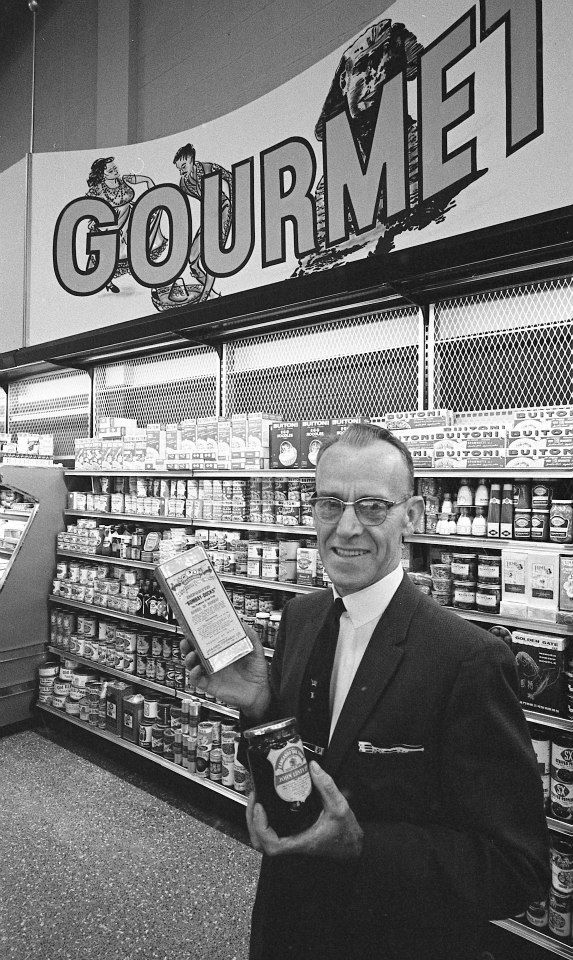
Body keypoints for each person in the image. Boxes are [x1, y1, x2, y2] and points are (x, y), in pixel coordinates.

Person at [182, 422, 550, 960]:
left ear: (413, 516)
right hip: (287, 925)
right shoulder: (300, 617)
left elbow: (517, 868)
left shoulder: (468, 660)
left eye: (373, 507)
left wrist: (360, 843)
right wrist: (258, 707)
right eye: (329, 504)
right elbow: (294, 768)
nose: (346, 527)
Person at [86, 157, 167, 292]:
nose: (115, 171)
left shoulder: (124, 180)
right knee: (106, 255)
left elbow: (149, 184)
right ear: (102, 174)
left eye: (115, 168)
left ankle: (154, 284)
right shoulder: (97, 189)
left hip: (131, 219)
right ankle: (103, 281)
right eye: (110, 170)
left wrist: (147, 180)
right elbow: (90, 206)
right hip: (113, 225)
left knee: (141, 251)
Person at [168, 142, 233, 303]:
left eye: (184, 166)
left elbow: (230, 178)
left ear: (192, 160)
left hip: (224, 209)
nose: (181, 171)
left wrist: (237, 202)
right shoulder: (183, 184)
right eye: (179, 168)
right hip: (209, 216)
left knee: (211, 256)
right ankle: (213, 295)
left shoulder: (207, 168)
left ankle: (204, 296)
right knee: (193, 260)